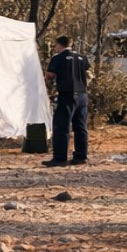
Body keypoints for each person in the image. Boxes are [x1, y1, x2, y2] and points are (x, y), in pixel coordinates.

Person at [44, 35, 90, 167]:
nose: (55, 48)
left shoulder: (58, 58)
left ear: (59, 45)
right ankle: (81, 156)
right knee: (81, 127)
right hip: (82, 95)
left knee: (61, 126)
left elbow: (50, 75)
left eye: (55, 45)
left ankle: (60, 158)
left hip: (67, 95)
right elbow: (87, 70)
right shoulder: (82, 57)